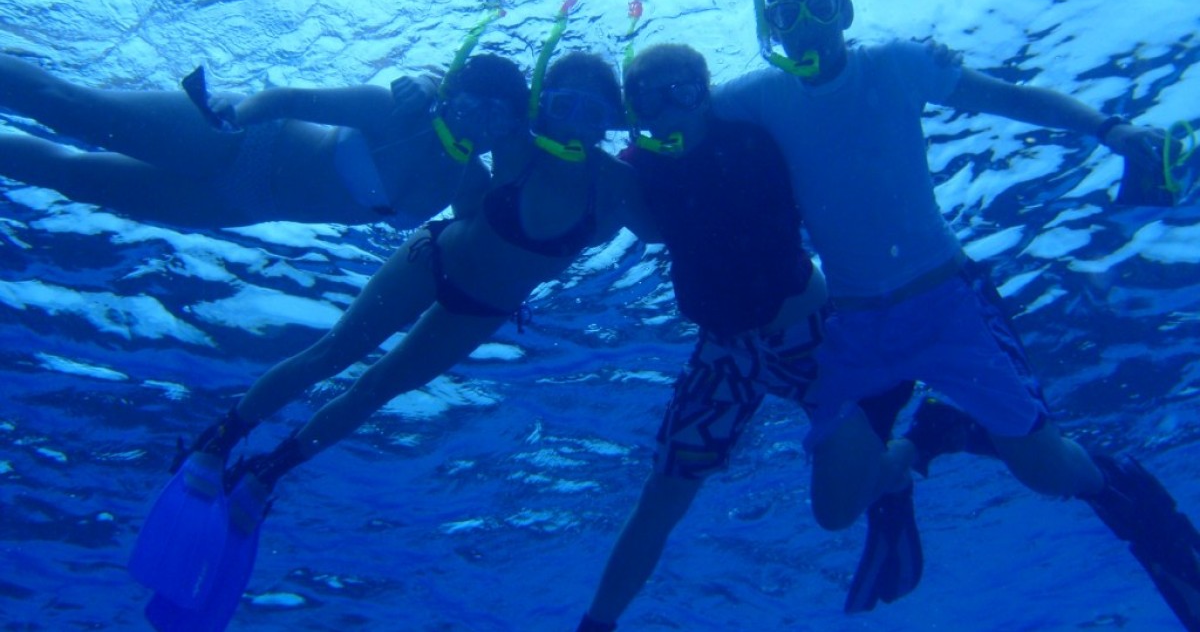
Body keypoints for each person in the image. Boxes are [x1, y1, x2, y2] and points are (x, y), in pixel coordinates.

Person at [714, 0, 1200, 628]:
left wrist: (1107, 128)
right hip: (855, 330)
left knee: (1049, 473)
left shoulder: (897, 65)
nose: (807, 26)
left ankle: (1121, 494)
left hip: (948, 305)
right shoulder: (758, 98)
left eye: (821, 6)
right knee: (832, 511)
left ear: (845, 12)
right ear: (773, 30)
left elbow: (1008, 97)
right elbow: (663, 105)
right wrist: (568, 122)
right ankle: (917, 449)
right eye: (787, 14)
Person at [129, 50, 642, 631]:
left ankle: (270, 471)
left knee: (374, 390)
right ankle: (221, 438)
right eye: (561, 103)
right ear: (540, 106)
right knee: (331, 354)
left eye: (592, 111)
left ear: (611, 123)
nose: (574, 119)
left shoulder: (619, 185)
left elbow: (666, 219)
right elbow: (460, 104)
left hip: (480, 310)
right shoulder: (515, 138)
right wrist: (423, 83)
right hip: (433, 258)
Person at [575, 43, 915, 632]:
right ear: (635, 109)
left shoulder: (753, 141)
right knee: (664, 492)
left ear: (706, 92)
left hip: (810, 339)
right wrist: (596, 160)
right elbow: (645, 227)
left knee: (833, 512)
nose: (671, 106)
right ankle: (596, 624)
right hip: (723, 351)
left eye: (684, 88)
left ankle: (909, 455)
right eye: (652, 96)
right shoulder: (637, 168)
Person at [0, 51, 515, 228]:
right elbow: (288, 98)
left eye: (498, 118)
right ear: (454, 96)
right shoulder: (392, 110)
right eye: (474, 105)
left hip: (242, 205)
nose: (479, 125)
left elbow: (484, 239)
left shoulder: (470, 185)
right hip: (238, 142)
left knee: (72, 176)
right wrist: (237, 114)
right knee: (73, 108)